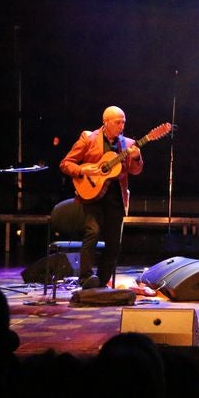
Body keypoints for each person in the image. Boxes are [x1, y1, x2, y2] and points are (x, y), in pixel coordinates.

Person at [59, 106, 142, 289]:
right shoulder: (88, 138)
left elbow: (136, 171)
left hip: (115, 199)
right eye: (117, 122)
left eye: (123, 122)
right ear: (106, 122)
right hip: (92, 197)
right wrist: (82, 169)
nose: (122, 126)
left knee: (114, 243)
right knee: (93, 233)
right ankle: (86, 279)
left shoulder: (128, 144)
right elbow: (65, 164)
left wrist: (136, 157)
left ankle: (101, 282)